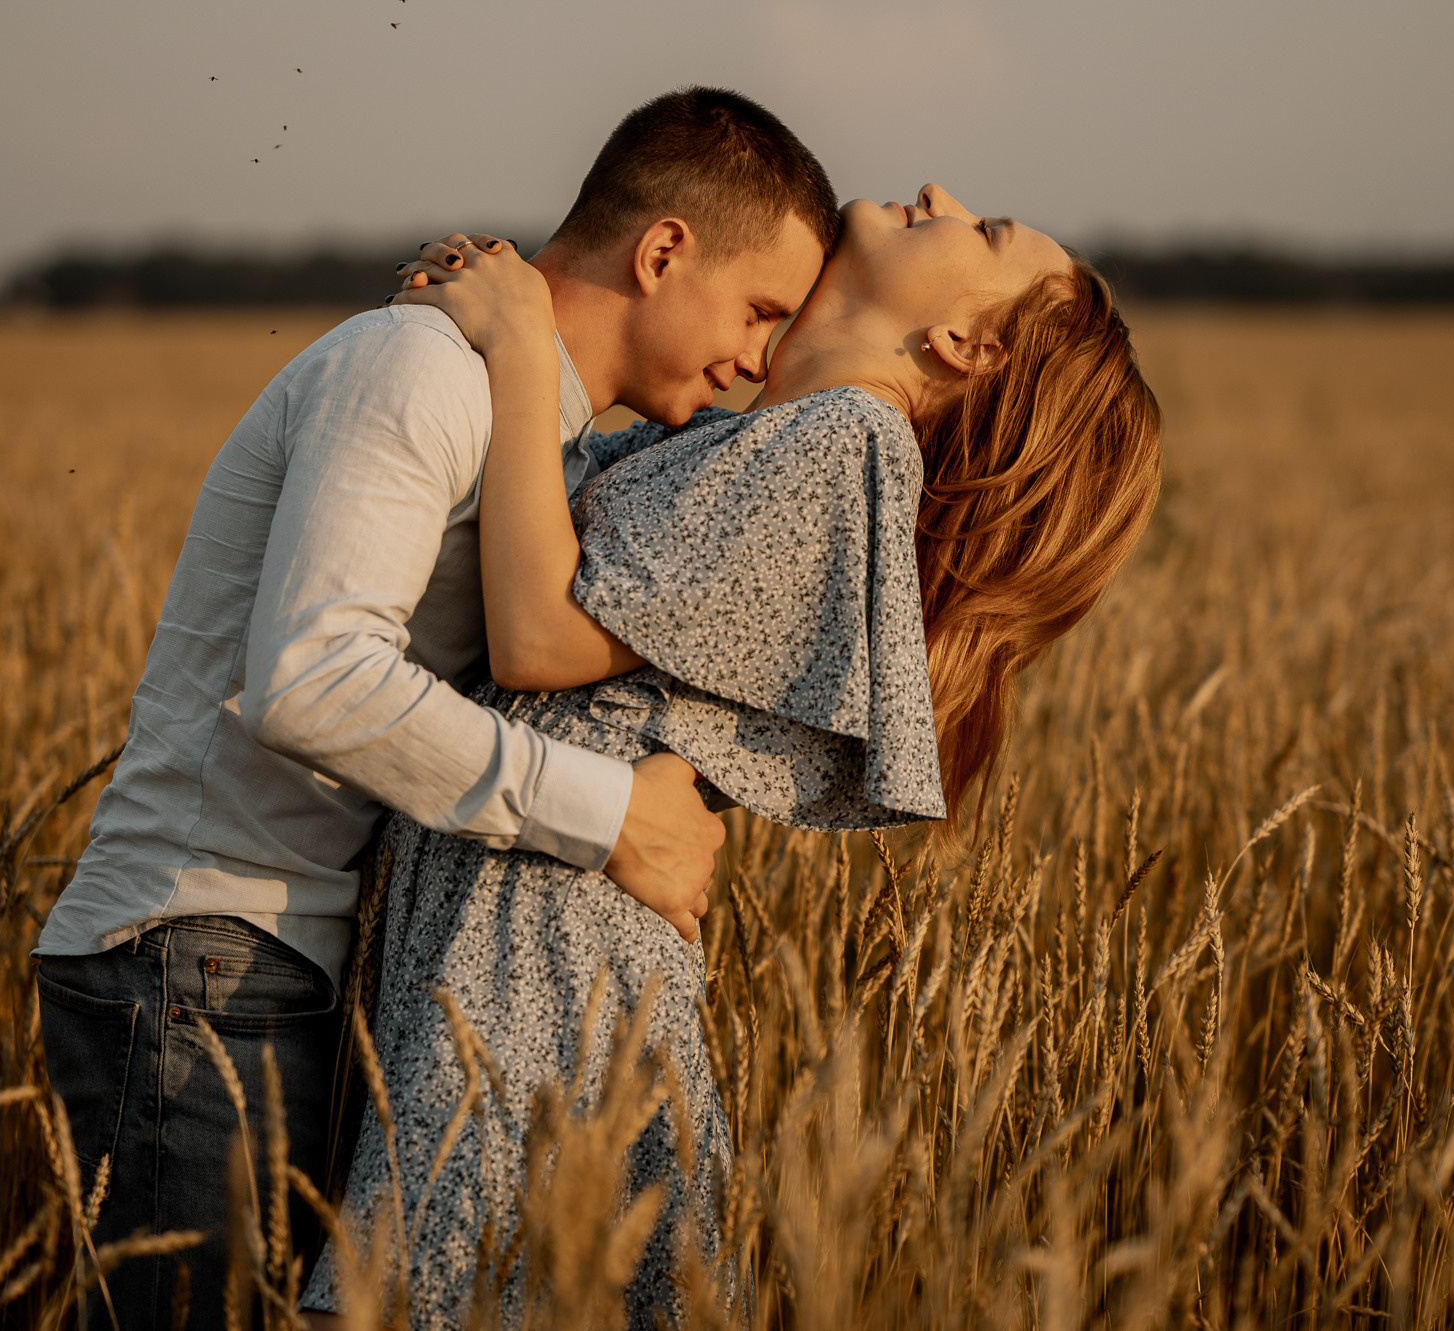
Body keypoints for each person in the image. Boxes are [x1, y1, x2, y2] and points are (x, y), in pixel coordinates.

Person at [31, 87, 839, 1330]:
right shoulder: (416, 365)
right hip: (195, 957)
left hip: (276, 969)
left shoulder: (533, 435)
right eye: (759, 310)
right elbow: (315, 676)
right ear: (662, 250)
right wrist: (610, 812)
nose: (759, 358)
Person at [303, 183, 1162, 1328]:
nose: (941, 197)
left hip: (540, 929)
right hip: (534, 887)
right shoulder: (779, 439)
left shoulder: (841, 439)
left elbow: (539, 635)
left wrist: (517, 339)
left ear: (963, 344)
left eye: (985, 229)